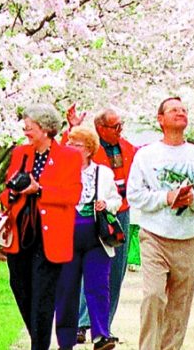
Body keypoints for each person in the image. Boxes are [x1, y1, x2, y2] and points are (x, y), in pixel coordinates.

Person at [126, 96, 194, 350]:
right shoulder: (146, 155)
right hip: (155, 236)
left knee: (180, 305)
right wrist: (165, 197)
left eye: (184, 110)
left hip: (188, 239)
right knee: (153, 296)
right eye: (174, 110)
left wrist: (192, 198)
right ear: (160, 119)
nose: (181, 113)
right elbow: (134, 195)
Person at [0, 104, 83, 350]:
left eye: (31, 128)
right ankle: (38, 338)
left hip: (50, 238)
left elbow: (73, 194)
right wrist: (14, 191)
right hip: (21, 233)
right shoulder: (20, 153)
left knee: (42, 295)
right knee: (20, 288)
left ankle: (39, 346)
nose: (26, 132)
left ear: (46, 129)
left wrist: (41, 190)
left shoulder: (68, 156)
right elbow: (7, 188)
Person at [55, 127, 122, 350]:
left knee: (98, 286)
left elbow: (116, 200)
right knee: (66, 287)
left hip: (96, 237)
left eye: (77, 145)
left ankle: (101, 334)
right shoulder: (60, 170)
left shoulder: (103, 173)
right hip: (67, 236)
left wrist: (107, 205)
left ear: (89, 149)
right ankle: (67, 336)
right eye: (69, 144)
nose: (71, 148)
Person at [75, 107, 137, 342]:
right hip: (92, 214)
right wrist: (72, 127)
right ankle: (81, 323)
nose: (120, 130)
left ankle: (104, 327)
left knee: (116, 271)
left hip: (120, 212)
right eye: (115, 126)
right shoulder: (90, 148)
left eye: (121, 125)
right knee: (90, 267)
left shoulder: (127, 148)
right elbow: (66, 152)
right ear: (100, 128)